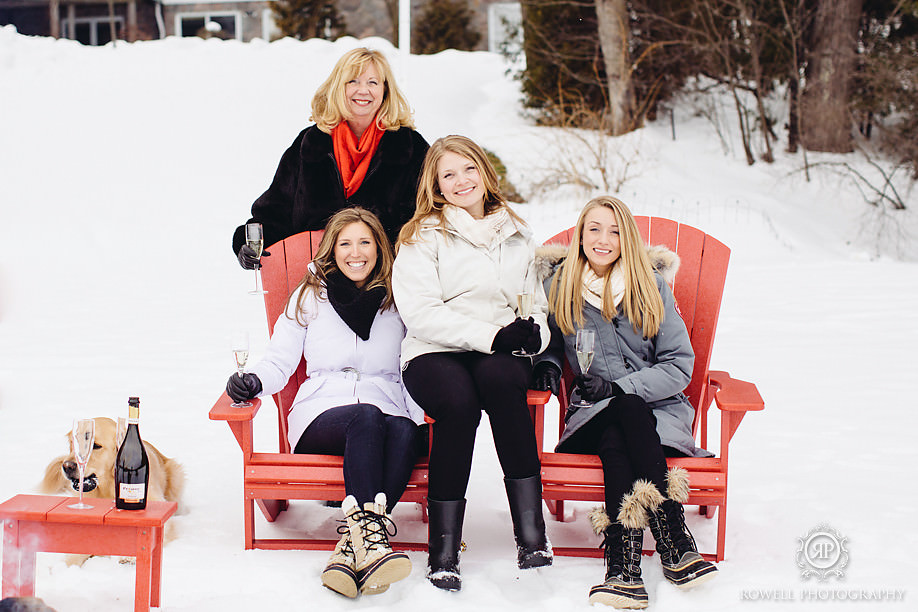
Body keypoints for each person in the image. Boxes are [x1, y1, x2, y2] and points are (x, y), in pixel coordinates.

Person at [226, 207, 424, 599]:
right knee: (367, 417)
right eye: (345, 243)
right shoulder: (310, 297)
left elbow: (414, 364)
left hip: (387, 405)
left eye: (365, 242)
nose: (356, 252)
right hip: (321, 415)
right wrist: (254, 381)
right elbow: (280, 361)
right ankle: (370, 539)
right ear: (331, 251)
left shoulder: (400, 301)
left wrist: (420, 420)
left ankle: (355, 548)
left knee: (402, 429)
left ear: (379, 248)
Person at [532, 195, 718, 609]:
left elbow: (679, 365)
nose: (603, 239)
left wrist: (621, 389)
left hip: (657, 416)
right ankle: (673, 536)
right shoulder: (558, 288)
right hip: (589, 418)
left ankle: (622, 569)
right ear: (581, 236)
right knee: (620, 419)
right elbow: (545, 343)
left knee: (623, 428)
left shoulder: (650, 287)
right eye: (594, 229)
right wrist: (546, 366)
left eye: (615, 230)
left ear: (628, 239)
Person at [392, 135, 553, 592]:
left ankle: (531, 534)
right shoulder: (422, 236)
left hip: (500, 350)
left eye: (468, 169)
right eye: (449, 175)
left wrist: (532, 334)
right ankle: (443, 549)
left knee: (504, 385)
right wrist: (491, 335)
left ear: (484, 172)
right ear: (437, 187)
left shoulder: (517, 233)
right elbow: (421, 312)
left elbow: (536, 305)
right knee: (458, 405)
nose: (461, 181)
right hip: (433, 350)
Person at [232, 47, 429, 269]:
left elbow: (431, 215)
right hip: (314, 277)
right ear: (338, 87)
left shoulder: (410, 146)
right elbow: (275, 211)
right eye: (353, 81)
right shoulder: (311, 142)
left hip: (385, 279)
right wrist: (245, 244)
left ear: (385, 90)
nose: (363, 90)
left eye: (373, 82)